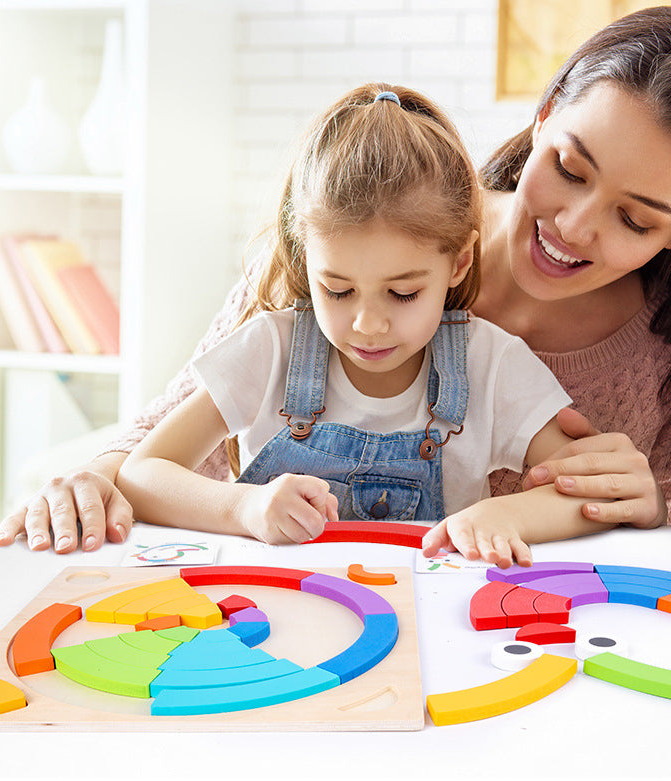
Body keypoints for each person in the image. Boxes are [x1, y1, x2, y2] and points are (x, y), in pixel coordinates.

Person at [0, 6, 671, 554]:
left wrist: (645, 509)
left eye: (635, 219)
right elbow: (167, 445)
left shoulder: (669, 354)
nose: (576, 226)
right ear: (545, 115)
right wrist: (94, 484)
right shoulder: (365, 223)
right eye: (569, 168)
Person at [112, 84, 610, 569]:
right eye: (338, 290)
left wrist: (506, 513)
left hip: (428, 618)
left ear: (458, 263)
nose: (368, 325)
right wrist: (243, 507)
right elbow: (142, 474)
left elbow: (585, 495)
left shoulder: (490, 365)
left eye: (403, 293)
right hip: (276, 606)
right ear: (306, 261)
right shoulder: (272, 350)